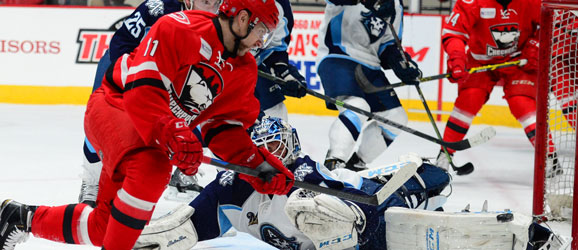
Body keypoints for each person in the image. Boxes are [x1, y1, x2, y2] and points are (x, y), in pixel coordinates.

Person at [0, 1, 295, 249]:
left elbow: (223, 130)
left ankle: (19, 217)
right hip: (116, 105)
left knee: (106, 225)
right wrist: (171, 130)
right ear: (243, 19)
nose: (263, 42)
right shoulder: (180, 27)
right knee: (153, 169)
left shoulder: (244, 71)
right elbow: (143, 91)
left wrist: (258, 165)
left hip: (149, 129)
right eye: (263, 32)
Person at [132, 117, 564, 250]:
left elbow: (359, 196)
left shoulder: (302, 171)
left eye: (276, 148)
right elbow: (185, 225)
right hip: (361, 220)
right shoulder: (230, 186)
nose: (269, 157)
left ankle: (516, 234)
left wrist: (411, 182)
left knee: (317, 204)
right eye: (262, 149)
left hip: (369, 213)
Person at [79, 0, 223, 207]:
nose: (212, 7)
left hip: (168, 77)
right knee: (98, 123)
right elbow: (121, 41)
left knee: (194, 116)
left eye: (216, 2)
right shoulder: (158, 8)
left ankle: (183, 177)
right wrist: (132, 77)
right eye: (206, 1)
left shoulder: (218, 24)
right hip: (123, 67)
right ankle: (90, 183)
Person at [435, 0, 557, 171]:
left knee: (521, 102)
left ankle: (550, 158)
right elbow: (454, 32)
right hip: (480, 62)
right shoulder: (473, 2)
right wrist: (457, 57)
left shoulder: (532, 1)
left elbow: (554, 23)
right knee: (469, 100)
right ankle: (445, 155)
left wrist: (536, 44)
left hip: (519, 61)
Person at [316, 0, 423, 171]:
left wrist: (401, 64)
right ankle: (334, 163)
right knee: (357, 107)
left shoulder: (395, 4)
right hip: (338, 56)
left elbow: (389, 44)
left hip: (370, 65)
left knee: (396, 117)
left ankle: (355, 164)